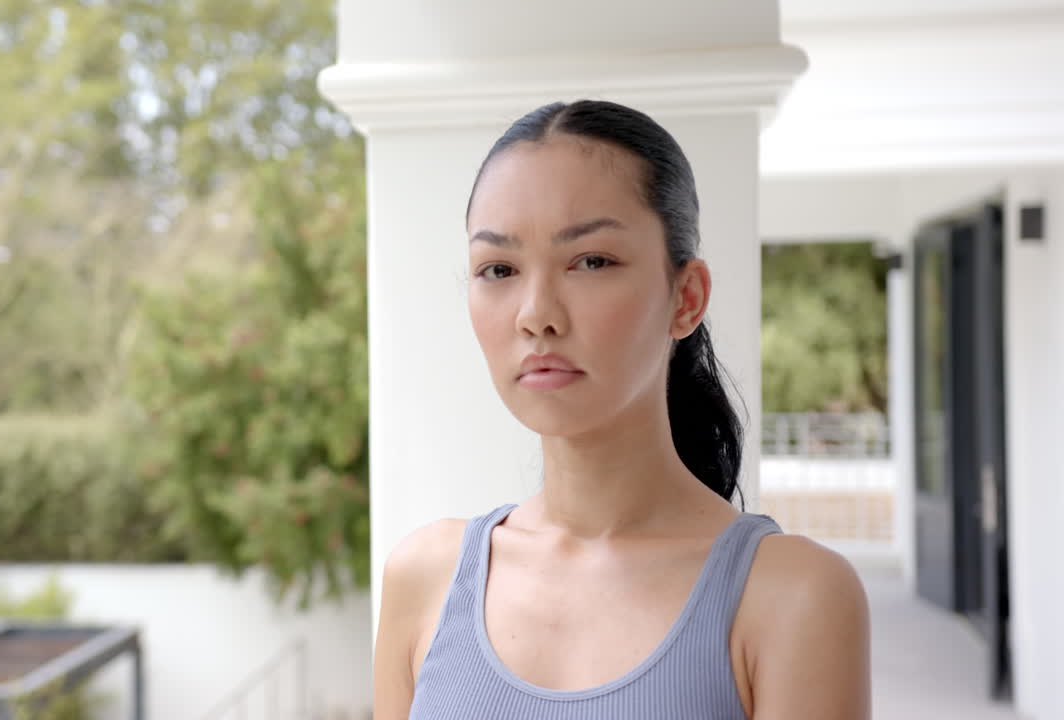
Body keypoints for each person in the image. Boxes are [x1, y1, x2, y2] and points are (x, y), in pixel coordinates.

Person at [372, 100, 871, 719]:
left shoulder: (792, 597)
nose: (536, 314)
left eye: (591, 261)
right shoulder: (425, 579)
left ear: (686, 298)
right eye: (498, 268)